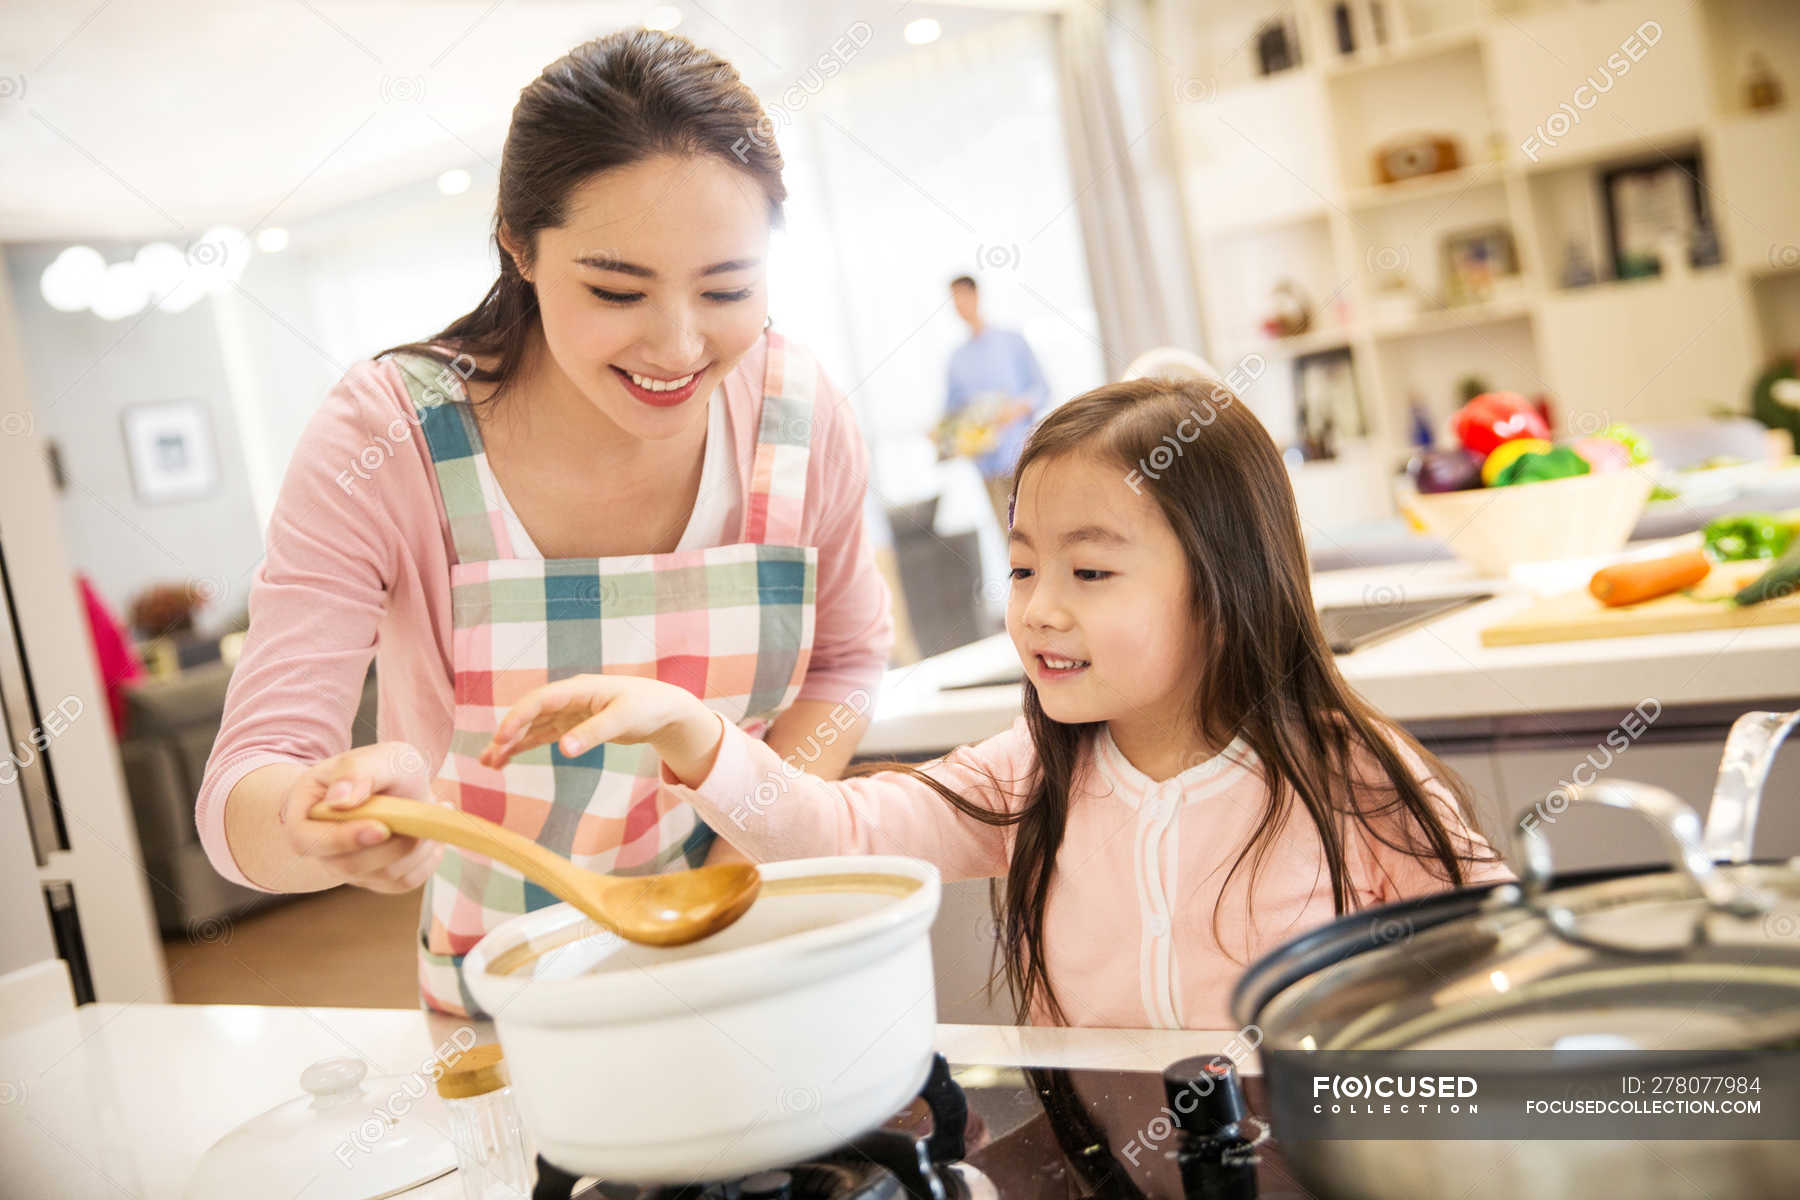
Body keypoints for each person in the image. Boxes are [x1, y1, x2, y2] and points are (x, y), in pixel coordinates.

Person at [195, 29, 894, 1019]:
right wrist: (314, 819)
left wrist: (756, 823)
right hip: (514, 996)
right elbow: (242, 793)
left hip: (764, 943)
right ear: (517, 244)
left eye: (729, 289)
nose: (679, 345)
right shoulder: (391, 435)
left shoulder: (799, 411)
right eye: (616, 289)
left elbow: (852, 665)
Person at [477, 374, 1514, 1030]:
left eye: (1091, 575)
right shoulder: (1030, 774)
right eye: (1023, 571)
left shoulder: (1348, 774)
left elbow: (1503, 970)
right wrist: (691, 731)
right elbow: (829, 832)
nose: (1040, 613)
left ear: (1224, 588)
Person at [943, 275, 1050, 530]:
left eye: (962, 297)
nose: (958, 305)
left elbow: (1041, 389)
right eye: (953, 300)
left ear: (977, 296)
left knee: (1040, 528)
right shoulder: (957, 360)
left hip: (1022, 456)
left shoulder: (1012, 341)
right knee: (1010, 537)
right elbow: (951, 413)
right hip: (987, 464)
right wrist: (943, 433)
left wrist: (1016, 409)